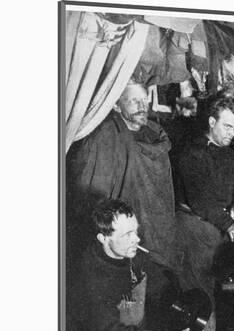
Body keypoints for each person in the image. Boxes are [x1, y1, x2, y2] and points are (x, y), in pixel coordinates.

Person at [67, 199, 230, 331]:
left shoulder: (133, 254)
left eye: (136, 231)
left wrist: (183, 312)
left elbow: (161, 289)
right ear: (103, 238)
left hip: (130, 326)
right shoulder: (90, 277)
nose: (136, 239)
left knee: (189, 327)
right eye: (127, 234)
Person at [67, 79, 177, 270]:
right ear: (116, 106)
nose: (143, 107)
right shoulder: (104, 137)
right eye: (134, 101)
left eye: (145, 101)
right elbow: (92, 193)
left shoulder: (155, 135)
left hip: (156, 230)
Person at [175, 97, 234, 331]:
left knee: (212, 295)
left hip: (212, 228)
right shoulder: (193, 153)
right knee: (200, 300)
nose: (231, 133)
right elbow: (201, 201)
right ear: (211, 122)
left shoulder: (226, 151)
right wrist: (228, 223)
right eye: (227, 127)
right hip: (194, 229)